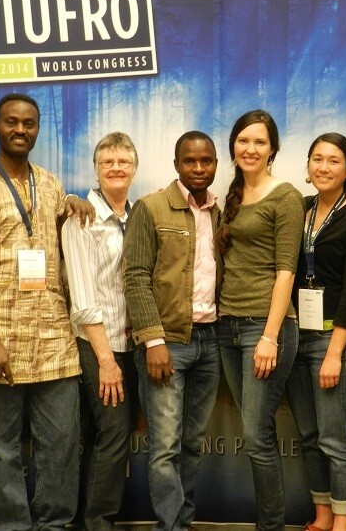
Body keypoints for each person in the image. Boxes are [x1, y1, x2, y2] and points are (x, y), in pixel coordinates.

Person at [0, 92, 92, 530]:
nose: (20, 130)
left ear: (37, 128)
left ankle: (54, 524)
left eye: (29, 123)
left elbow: (53, 237)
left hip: (54, 343)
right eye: (12, 122)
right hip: (2, 344)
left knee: (61, 445)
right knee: (2, 448)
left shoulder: (50, 184)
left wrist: (76, 202)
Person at [123, 131, 221, 531]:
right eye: (190, 161)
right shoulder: (151, 207)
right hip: (169, 343)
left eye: (207, 161)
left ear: (215, 164)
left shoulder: (220, 210)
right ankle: (171, 526)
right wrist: (154, 340)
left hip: (210, 341)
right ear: (177, 164)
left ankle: (185, 520)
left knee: (192, 444)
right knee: (164, 447)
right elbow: (135, 275)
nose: (199, 169)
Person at [216, 110, 305, 531]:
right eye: (243, 141)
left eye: (259, 142)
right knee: (256, 433)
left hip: (264, 329)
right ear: (233, 147)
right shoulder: (230, 196)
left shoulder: (284, 196)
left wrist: (270, 336)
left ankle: (271, 526)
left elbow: (286, 269)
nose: (250, 149)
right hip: (225, 326)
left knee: (256, 435)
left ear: (272, 150)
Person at [285, 133, 346, 531]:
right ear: (307, 166)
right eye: (317, 159)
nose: (323, 167)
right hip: (295, 335)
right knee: (308, 434)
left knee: (336, 438)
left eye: (334, 160)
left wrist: (336, 352)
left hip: (330, 337)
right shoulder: (300, 210)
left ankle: (343, 523)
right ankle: (322, 515)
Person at [61, 132, 139, 531]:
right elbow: (83, 297)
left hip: (132, 342)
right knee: (112, 434)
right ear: (96, 168)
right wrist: (106, 360)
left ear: (134, 168)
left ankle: (87, 520)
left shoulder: (136, 216)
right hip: (98, 344)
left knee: (102, 435)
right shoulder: (81, 219)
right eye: (107, 162)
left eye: (123, 161)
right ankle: (99, 522)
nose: (116, 168)